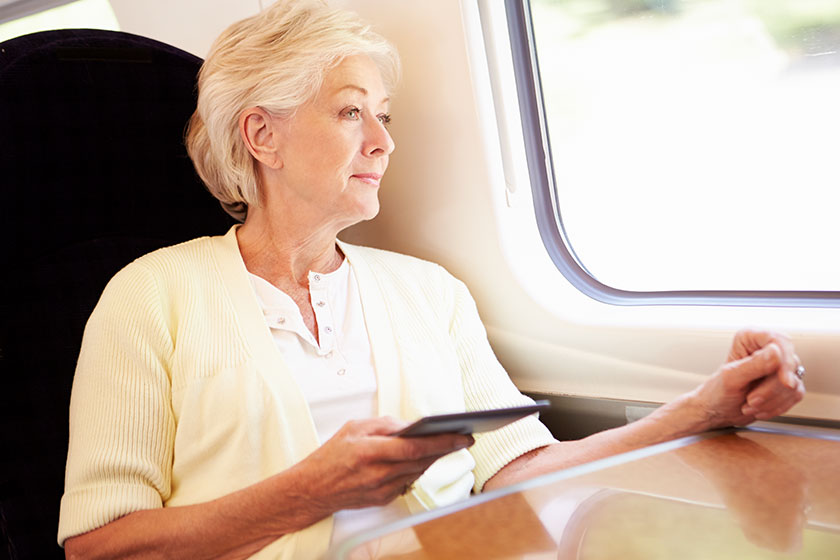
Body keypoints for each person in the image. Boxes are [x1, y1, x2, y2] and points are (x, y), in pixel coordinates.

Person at [58, 1, 805, 558]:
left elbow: (518, 470)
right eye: (352, 112)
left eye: (383, 115)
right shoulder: (150, 297)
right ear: (262, 136)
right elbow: (97, 548)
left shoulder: (427, 290)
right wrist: (309, 492)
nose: (383, 142)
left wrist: (704, 406)